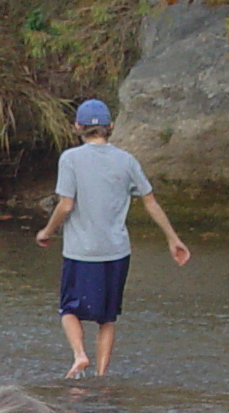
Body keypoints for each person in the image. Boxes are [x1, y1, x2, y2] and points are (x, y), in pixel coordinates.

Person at [34, 98, 190, 379]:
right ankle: (102, 376)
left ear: (78, 127)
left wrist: (47, 231)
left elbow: (66, 205)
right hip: (117, 252)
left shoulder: (70, 159)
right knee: (107, 318)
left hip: (81, 251)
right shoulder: (127, 160)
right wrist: (173, 238)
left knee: (68, 310)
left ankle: (80, 355)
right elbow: (151, 202)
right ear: (111, 127)